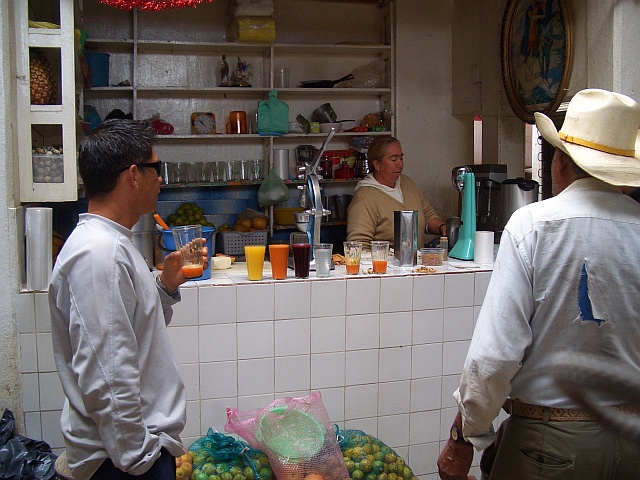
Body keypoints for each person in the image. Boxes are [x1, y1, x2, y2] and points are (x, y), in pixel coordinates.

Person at [437, 88, 640, 480]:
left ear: (560, 163)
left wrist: (463, 439)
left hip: (551, 445)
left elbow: (493, 360)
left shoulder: (534, 226)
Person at [49, 119, 207, 480]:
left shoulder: (112, 243)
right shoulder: (98, 253)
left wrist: (164, 286)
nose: (161, 179)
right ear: (134, 175)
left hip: (130, 453)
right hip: (122, 463)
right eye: (156, 168)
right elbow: (107, 372)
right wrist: (139, 457)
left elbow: (131, 332)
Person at [346, 136, 446, 248]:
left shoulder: (407, 183)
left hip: (417, 258)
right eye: (394, 160)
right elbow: (358, 245)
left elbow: (428, 215)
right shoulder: (365, 197)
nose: (400, 164)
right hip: (386, 259)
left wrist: (442, 227)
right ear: (377, 164)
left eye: (401, 158)